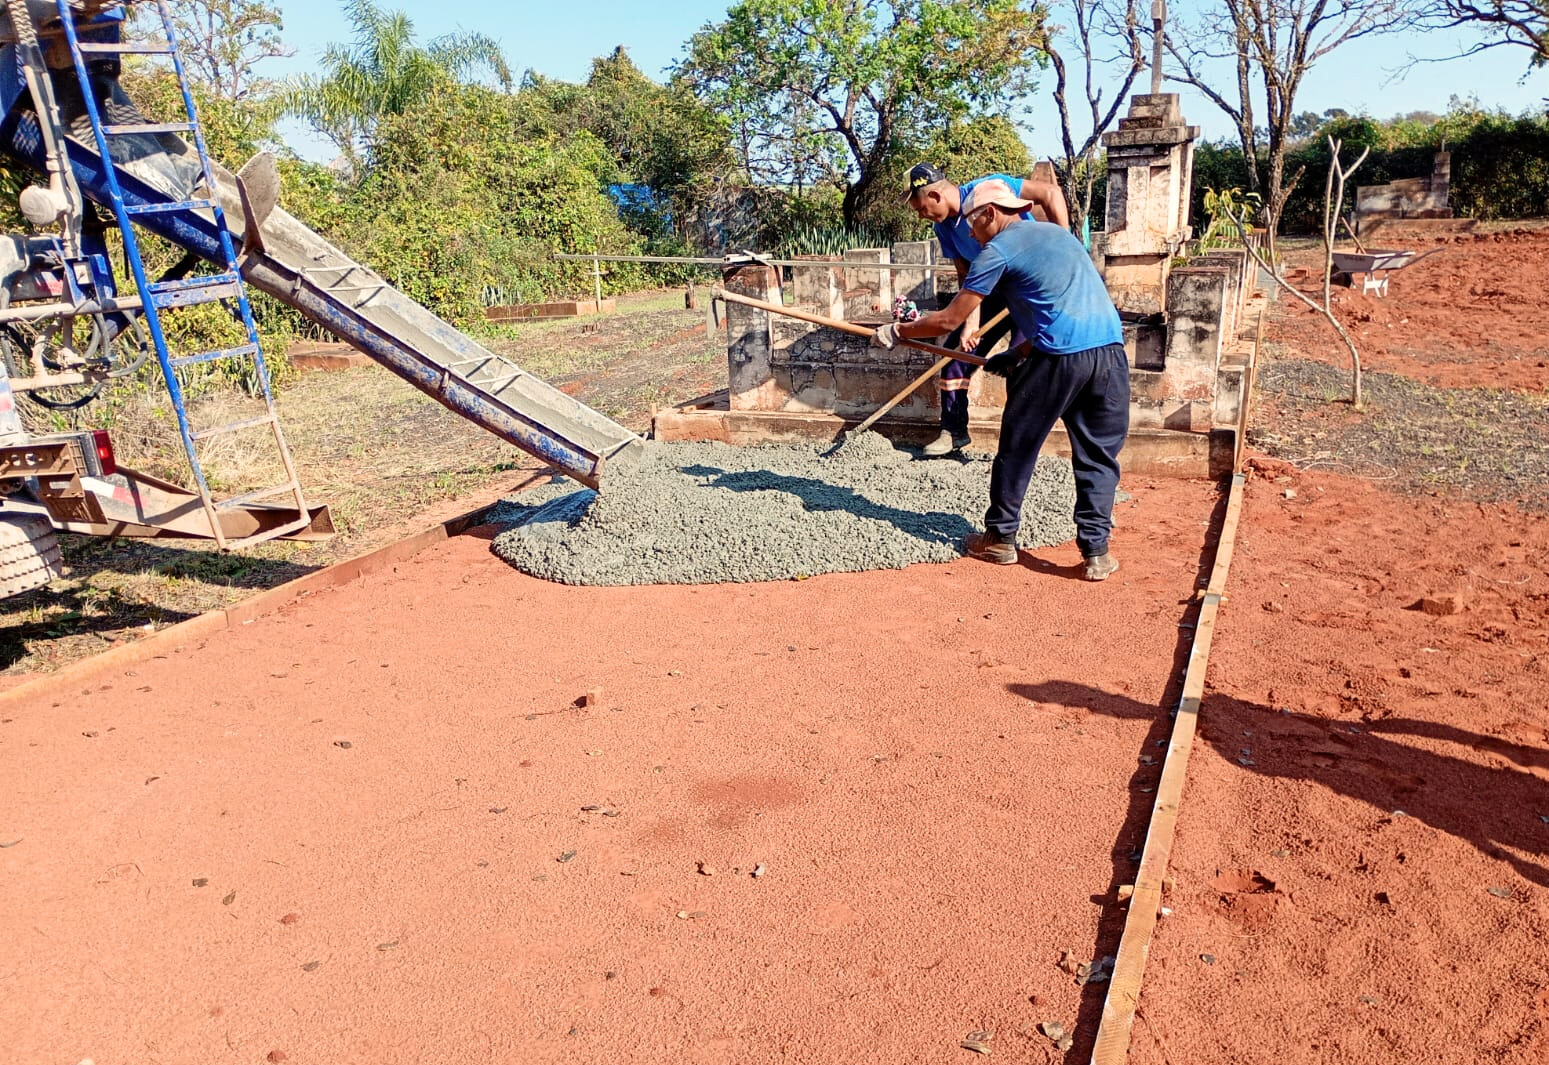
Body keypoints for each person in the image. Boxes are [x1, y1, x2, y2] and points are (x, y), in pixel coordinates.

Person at [873, 179, 1128, 582]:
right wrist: (1017, 353)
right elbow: (1061, 307)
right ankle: (1096, 552)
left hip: (1057, 359)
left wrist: (898, 331)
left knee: (1018, 446)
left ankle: (1000, 538)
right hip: (1111, 355)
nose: (971, 236)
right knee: (1098, 455)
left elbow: (950, 320)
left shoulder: (997, 250)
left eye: (972, 226)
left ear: (990, 214)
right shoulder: (1061, 237)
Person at [902, 163, 1071, 456]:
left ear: (935, 195)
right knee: (955, 356)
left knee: (1022, 365)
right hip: (990, 293)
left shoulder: (990, 188)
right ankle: (954, 431)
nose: (920, 215)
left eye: (920, 208)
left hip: (1028, 289)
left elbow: (1050, 193)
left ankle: (1020, 447)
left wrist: (1063, 244)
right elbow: (965, 274)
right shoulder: (943, 228)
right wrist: (971, 323)